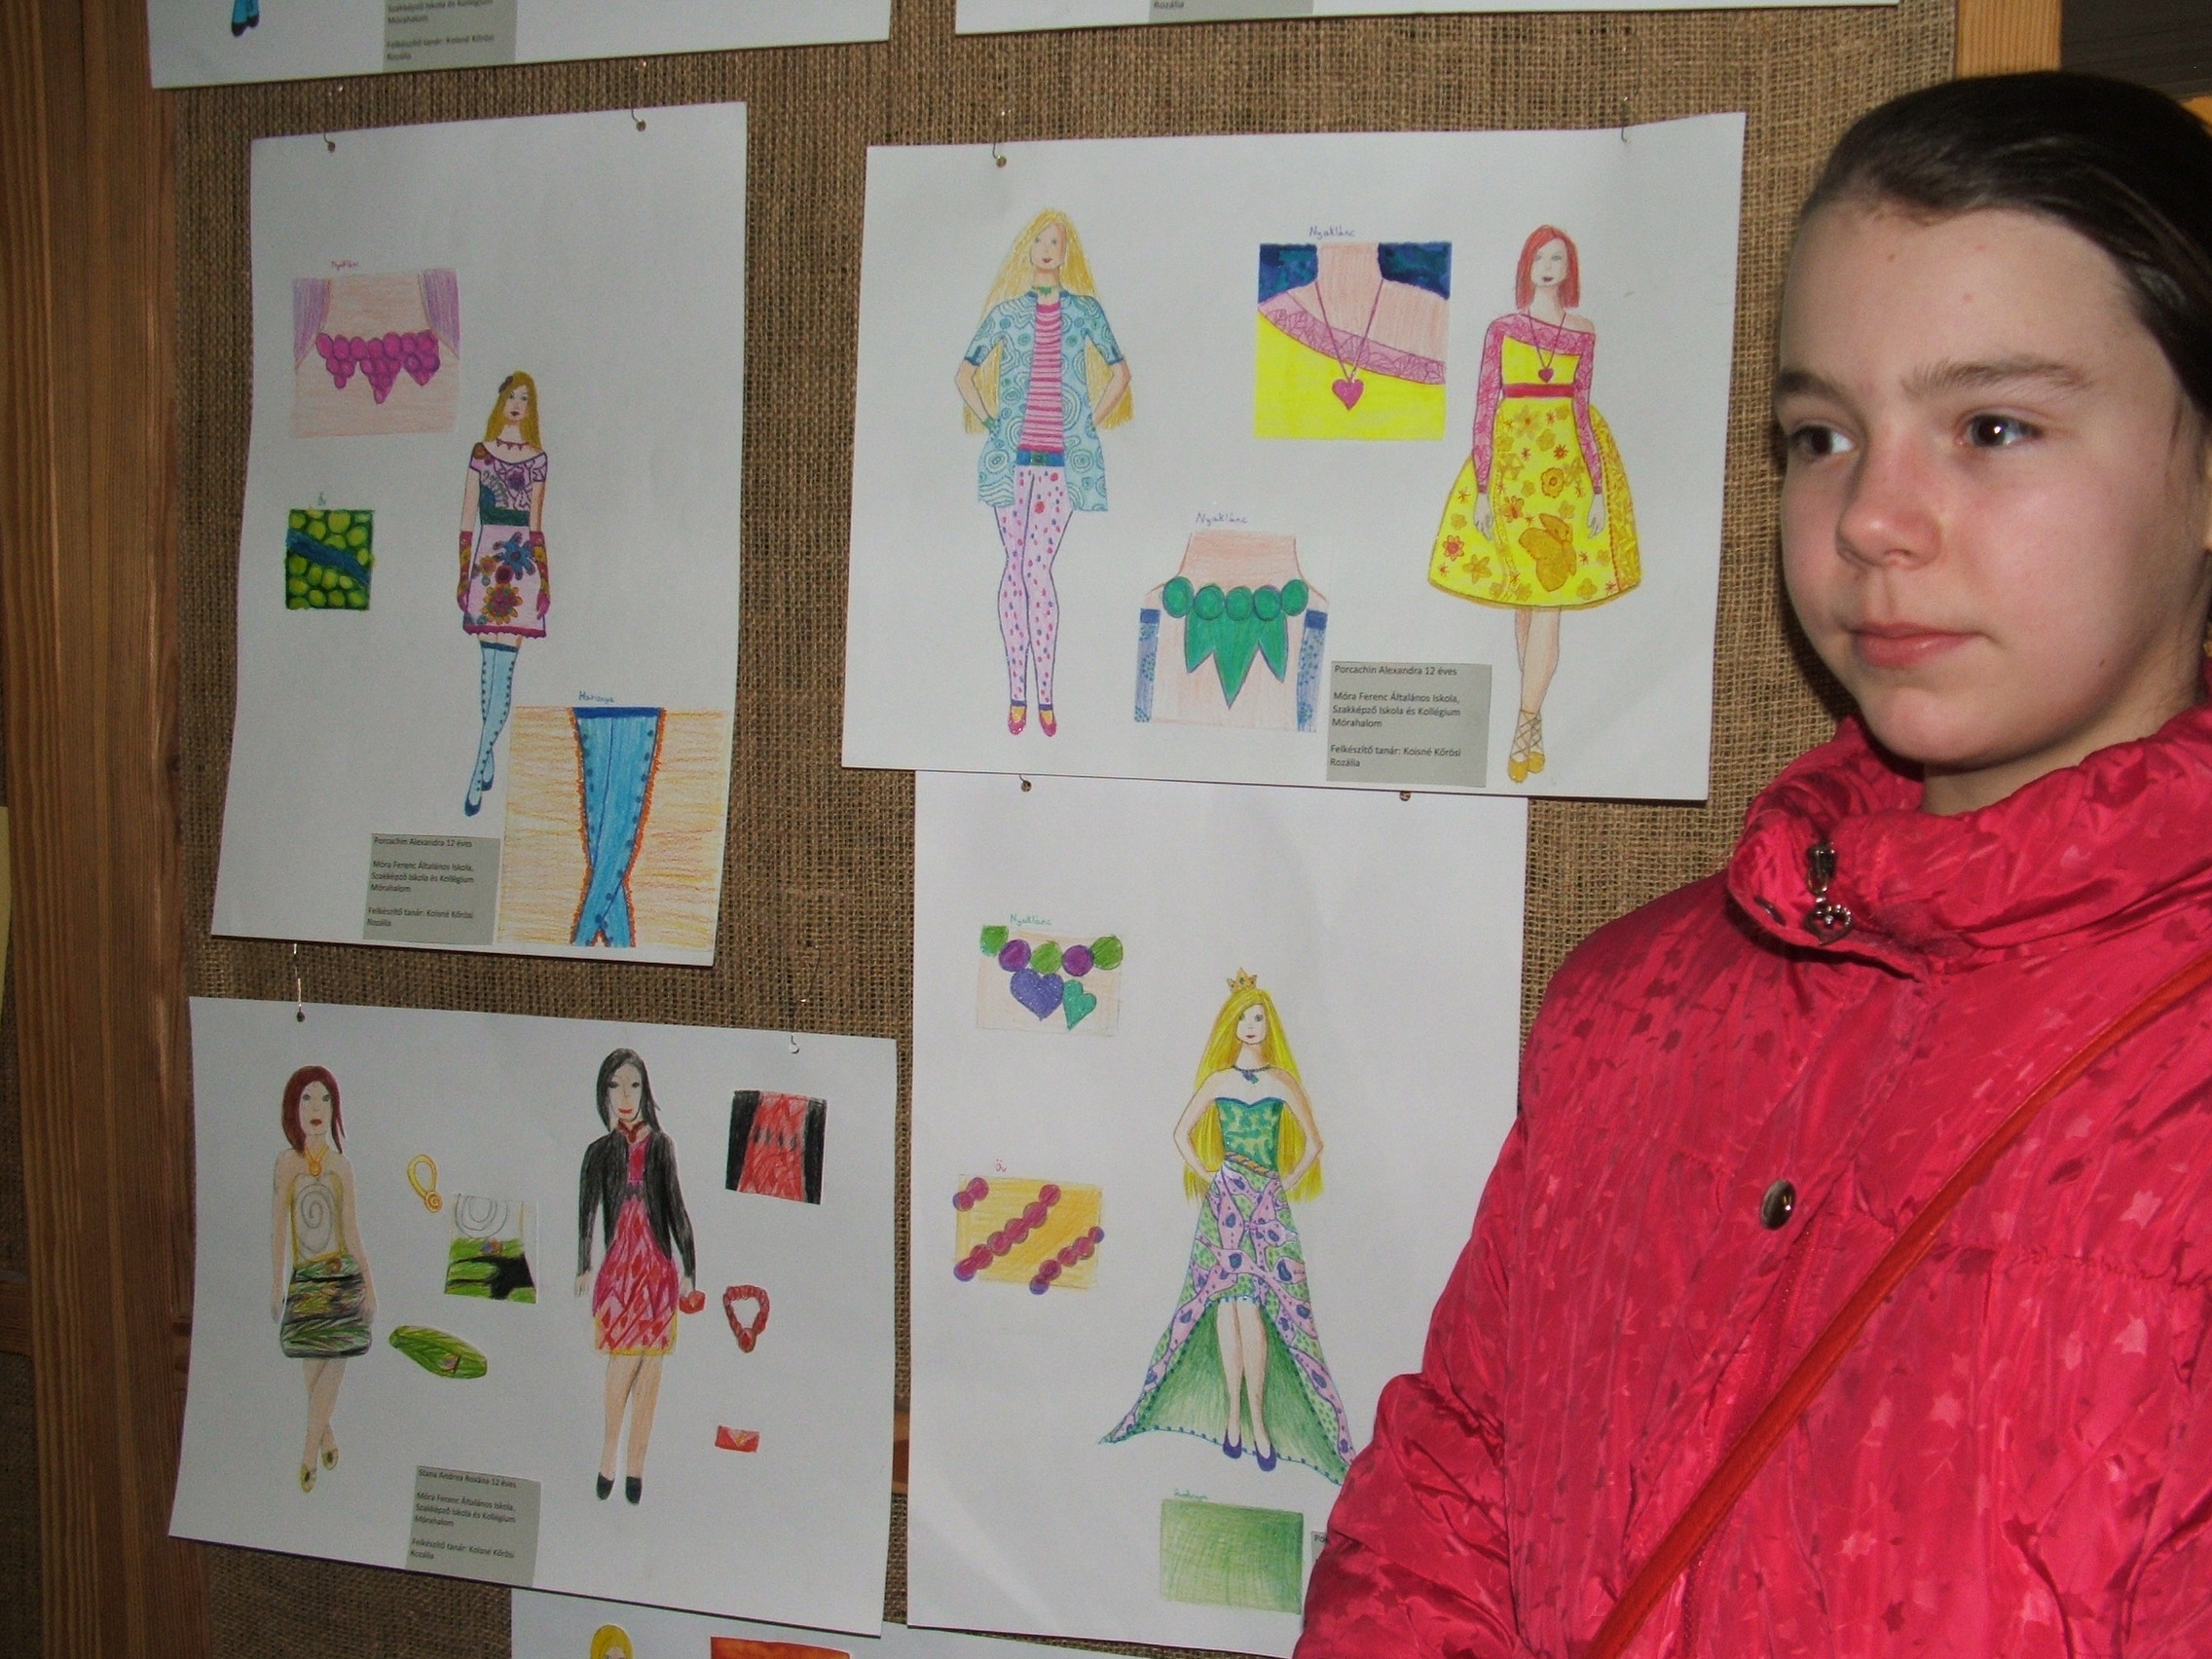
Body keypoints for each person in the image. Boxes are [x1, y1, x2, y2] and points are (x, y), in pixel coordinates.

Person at [1302, 74, 2212, 1655]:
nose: (1872, 518)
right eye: (1821, 434)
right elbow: (1445, 1507)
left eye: (1992, 428)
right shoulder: (1633, 1007)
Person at [1104, 973, 1354, 1482]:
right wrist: (1210, 1175)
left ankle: (1258, 1421)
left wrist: (1282, 1184)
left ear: (1269, 1024)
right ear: (1231, 1025)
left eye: (1258, 1017)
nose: (1252, 1025)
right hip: (1225, 1206)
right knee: (1227, 1304)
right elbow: (1181, 1133)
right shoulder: (1218, 1082)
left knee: (1254, 1309)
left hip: (1266, 1207)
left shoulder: (1282, 1082)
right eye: (1243, 1017)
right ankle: (1233, 1417)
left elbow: (1314, 1144)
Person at [1427, 225, 1640, 783]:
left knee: (1551, 601)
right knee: (1525, 603)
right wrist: (1481, 487)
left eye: (1558, 258)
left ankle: (1522, 729)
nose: (1548, 266)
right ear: (1527, 265)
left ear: (1570, 269)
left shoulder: (1584, 332)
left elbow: (1581, 407)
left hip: (1565, 472)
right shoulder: (1502, 329)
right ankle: (1535, 724)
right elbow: (1484, 407)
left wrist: (1598, 490)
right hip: (1512, 469)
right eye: (1539, 257)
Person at [956, 209, 1132, 739]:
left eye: (1056, 240)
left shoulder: (1084, 311)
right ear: (1027, 250)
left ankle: (1046, 697)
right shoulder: (1008, 313)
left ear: (1066, 251)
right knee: (1015, 568)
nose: (1048, 248)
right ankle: (1018, 695)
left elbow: (1120, 373)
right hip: (1009, 462)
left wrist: (1087, 422)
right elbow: (964, 374)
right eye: (1039, 240)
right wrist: (991, 420)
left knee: (1036, 569)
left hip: (1060, 466)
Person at [576, 1048, 695, 1505]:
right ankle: (609, 1453)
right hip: (621, 1267)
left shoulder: (662, 1146)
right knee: (622, 1361)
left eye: (634, 1086)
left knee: (651, 1367)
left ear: (646, 1091)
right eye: (615, 1087)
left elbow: (677, 1206)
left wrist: (690, 1267)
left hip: (658, 1268)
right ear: (603, 1093)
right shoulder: (599, 1152)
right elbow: (587, 1212)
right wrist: (584, 1264)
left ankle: (636, 1467)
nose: (625, 1097)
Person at [270, 1064, 374, 1494]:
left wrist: (368, 1284)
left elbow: (351, 1229)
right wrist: (276, 1283)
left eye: (326, 1099)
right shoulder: (286, 1164)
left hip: (341, 1277)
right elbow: (279, 1227)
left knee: (336, 1361)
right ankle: (326, 1435)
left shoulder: (341, 1166)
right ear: (293, 1108)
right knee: (312, 1371)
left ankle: (308, 1453)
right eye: (307, 1098)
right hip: (305, 1281)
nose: (317, 1108)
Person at [459, 371, 551, 816]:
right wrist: (462, 575)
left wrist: (545, 581)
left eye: (525, 399)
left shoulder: (538, 460)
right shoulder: (481, 453)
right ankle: (487, 754)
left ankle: (478, 767)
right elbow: (466, 520)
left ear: (531, 409)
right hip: (486, 562)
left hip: (521, 565)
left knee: (505, 670)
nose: (517, 404)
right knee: (488, 667)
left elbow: (536, 525)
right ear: (501, 402)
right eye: (512, 396)